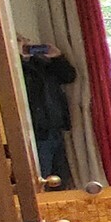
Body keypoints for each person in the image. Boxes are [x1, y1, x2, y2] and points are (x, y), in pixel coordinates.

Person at [20, 36, 77, 190]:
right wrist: (19, 57)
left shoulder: (39, 64)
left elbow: (69, 76)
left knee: (60, 179)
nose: (26, 43)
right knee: (40, 180)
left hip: (54, 129)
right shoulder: (15, 68)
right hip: (35, 133)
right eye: (19, 41)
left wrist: (57, 57)